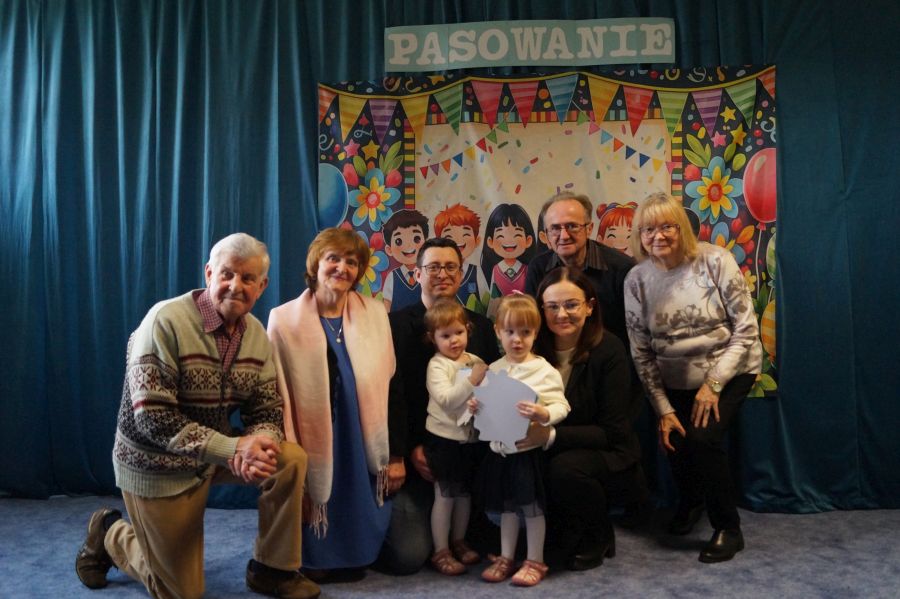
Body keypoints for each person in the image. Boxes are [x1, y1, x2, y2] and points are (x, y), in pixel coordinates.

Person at [75, 233, 319, 599]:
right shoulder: (164, 321)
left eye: (248, 278)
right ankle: (110, 532)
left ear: (262, 285)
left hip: (213, 456)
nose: (235, 286)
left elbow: (266, 407)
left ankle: (272, 570)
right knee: (179, 592)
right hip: (155, 464)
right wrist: (233, 449)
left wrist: (259, 444)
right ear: (208, 274)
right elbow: (153, 418)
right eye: (227, 274)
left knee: (290, 459)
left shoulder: (256, 336)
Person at [624, 192, 763, 563]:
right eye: (648, 229)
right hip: (672, 375)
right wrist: (663, 409)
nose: (658, 236)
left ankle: (728, 528)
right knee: (675, 437)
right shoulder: (636, 279)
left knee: (702, 439)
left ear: (682, 228)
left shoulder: (715, 260)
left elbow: (746, 330)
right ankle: (691, 502)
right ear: (639, 236)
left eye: (667, 226)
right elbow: (641, 351)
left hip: (731, 368)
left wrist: (713, 385)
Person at [267, 227, 395, 579]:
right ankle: (318, 557)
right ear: (316, 264)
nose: (342, 267)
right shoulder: (283, 319)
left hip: (361, 425)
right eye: (333, 258)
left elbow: (389, 375)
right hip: (312, 430)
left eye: (351, 262)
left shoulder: (375, 313)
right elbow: (277, 390)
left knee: (355, 490)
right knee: (323, 484)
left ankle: (356, 553)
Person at [379, 237, 501, 574]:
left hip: (466, 453)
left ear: (461, 274)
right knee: (407, 556)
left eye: (450, 267)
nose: (442, 274)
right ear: (417, 274)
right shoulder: (395, 326)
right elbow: (390, 395)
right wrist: (405, 452)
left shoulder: (481, 327)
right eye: (433, 267)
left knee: (491, 538)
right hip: (416, 457)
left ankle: (457, 537)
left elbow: (489, 393)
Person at [529, 267, 646, 571]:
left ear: (590, 306)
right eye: (552, 306)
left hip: (608, 452)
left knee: (565, 468)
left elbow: (613, 431)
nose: (561, 314)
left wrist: (551, 436)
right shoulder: (532, 348)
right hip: (550, 446)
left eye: (571, 304)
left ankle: (599, 534)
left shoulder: (609, 349)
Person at [471, 294, 570, 587]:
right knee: (507, 509)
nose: (517, 339)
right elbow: (484, 410)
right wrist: (476, 407)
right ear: (498, 332)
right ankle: (506, 556)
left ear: (536, 334)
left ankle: (535, 560)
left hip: (527, 453)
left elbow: (561, 406)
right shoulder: (493, 369)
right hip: (500, 453)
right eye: (510, 331)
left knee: (531, 508)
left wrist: (544, 413)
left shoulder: (544, 370)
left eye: (525, 332)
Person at [422, 299, 489, 575]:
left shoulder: (475, 361)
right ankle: (441, 550)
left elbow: (486, 394)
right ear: (433, 338)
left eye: (459, 332)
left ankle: (459, 541)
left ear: (468, 330)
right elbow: (448, 400)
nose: (454, 340)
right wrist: (472, 381)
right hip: (444, 440)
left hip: (470, 440)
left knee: (464, 494)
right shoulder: (437, 366)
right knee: (445, 495)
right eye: (445, 335)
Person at [524, 192, 635, 349]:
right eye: (555, 228)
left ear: (589, 229)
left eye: (572, 226)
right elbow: (532, 325)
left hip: (608, 357)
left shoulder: (621, 268)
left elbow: (635, 332)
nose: (564, 236)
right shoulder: (538, 267)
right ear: (546, 235)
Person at [435, 203, 490, 314]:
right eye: (449, 236)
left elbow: (486, 301)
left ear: (477, 241)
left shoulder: (476, 272)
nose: (458, 240)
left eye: (465, 234)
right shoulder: (437, 272)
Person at [382, 209, 429, 312]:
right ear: (389, 250)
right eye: (398, 241)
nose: (408, 245)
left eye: (416, 239)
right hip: (397, 322)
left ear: (426, 244)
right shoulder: (392, 277)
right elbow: (387, 307)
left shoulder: (428, 274)